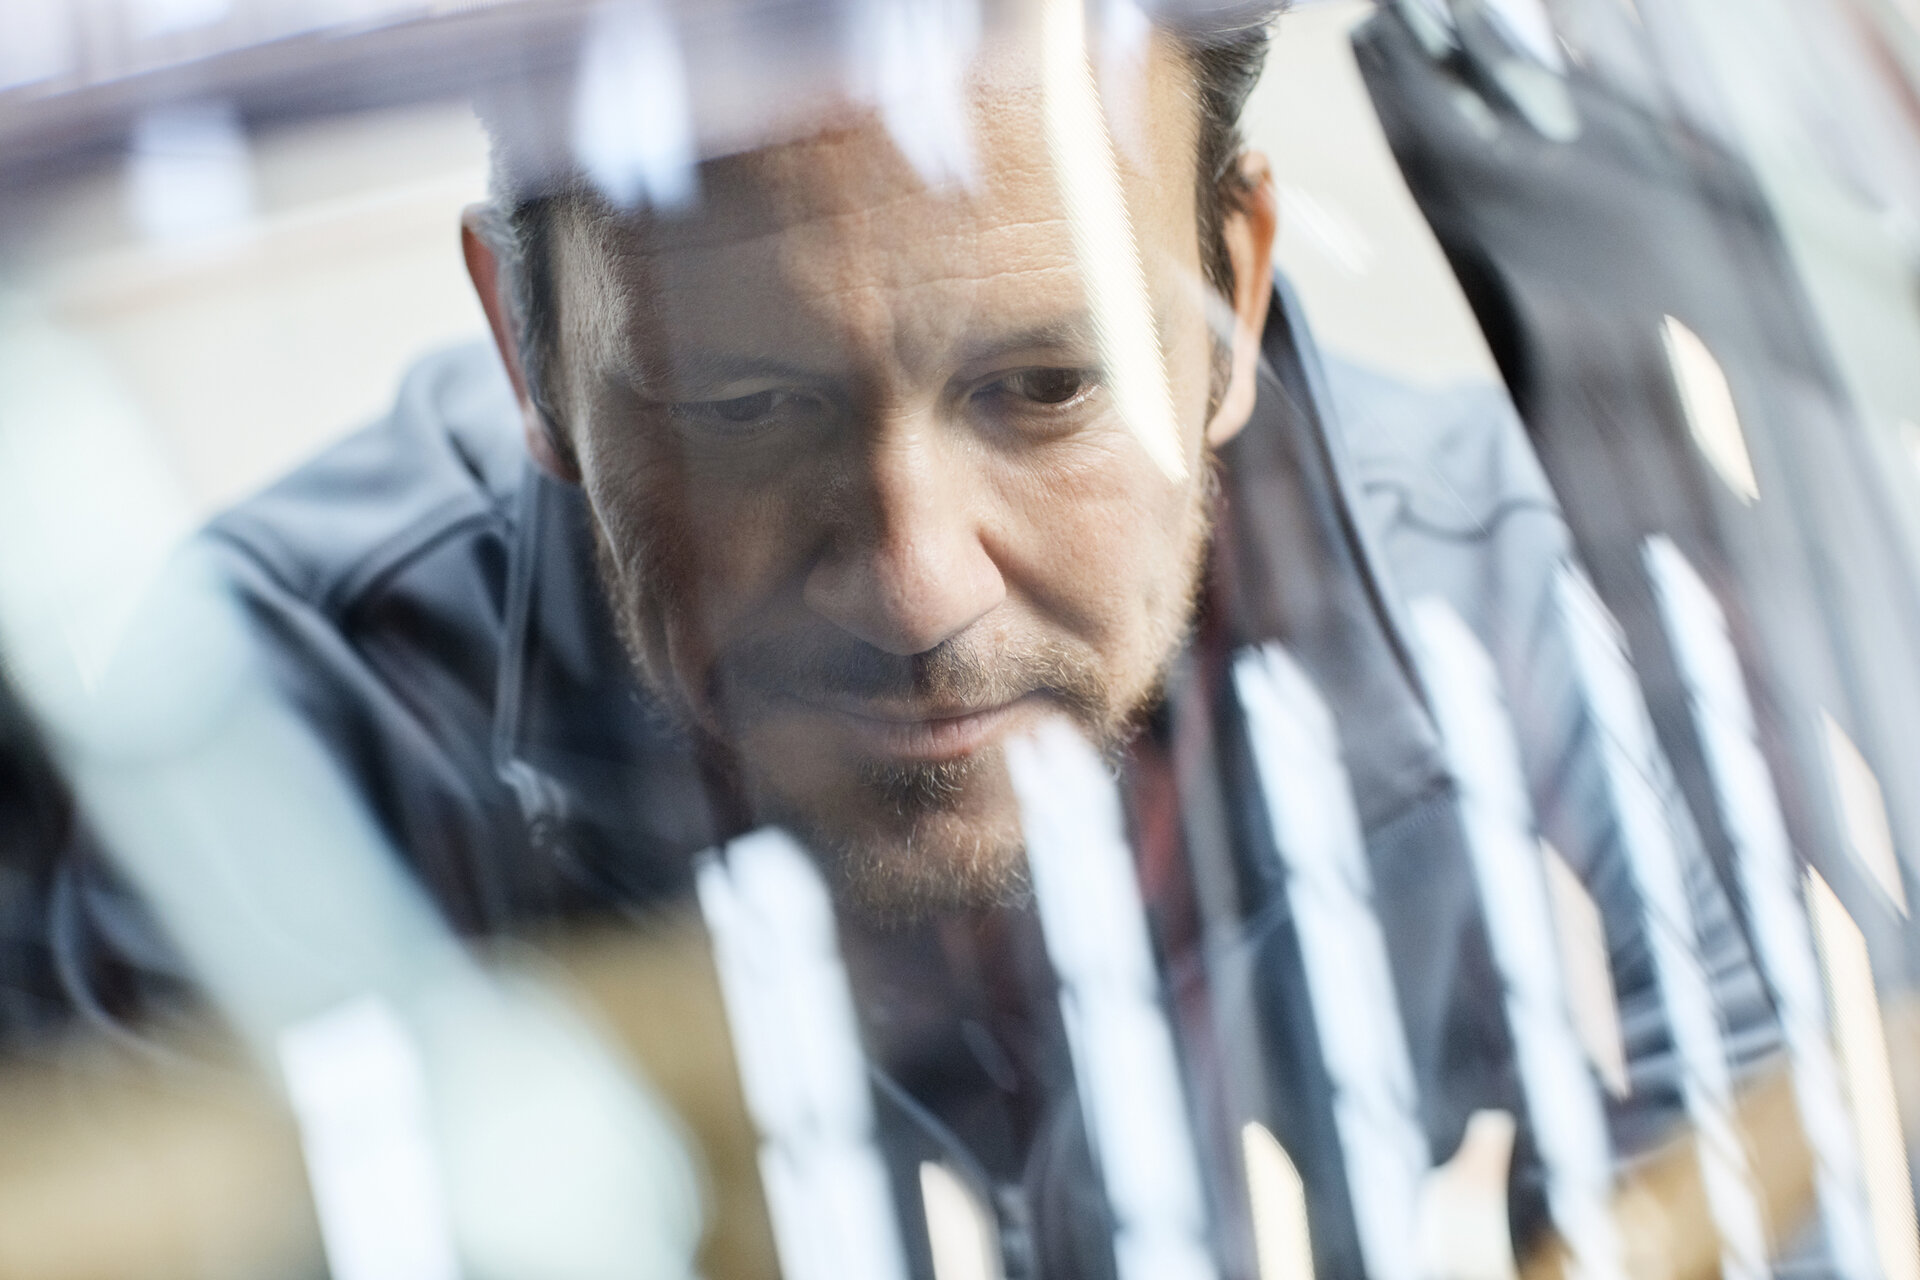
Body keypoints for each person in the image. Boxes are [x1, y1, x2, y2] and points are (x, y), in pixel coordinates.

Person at [16, 5, 1782, 1276]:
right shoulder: (238, 773)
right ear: (529, 346)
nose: (919, 587)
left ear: (1234, 289)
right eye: (744, 407)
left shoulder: (1558, 636)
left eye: (1041, 385)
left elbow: (1776, 1210)